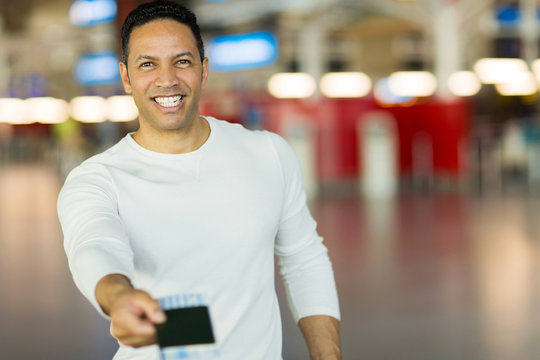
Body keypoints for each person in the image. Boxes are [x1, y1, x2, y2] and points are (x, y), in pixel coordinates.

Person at [57, 1, 341, 359]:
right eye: (147, 64)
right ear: (126, 78)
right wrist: (118, 297)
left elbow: (304, 259)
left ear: (203, 71)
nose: (167, 79)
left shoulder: (267, 153)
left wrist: (328, 355)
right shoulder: (98, 180)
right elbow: (94, 245)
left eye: (182, 61)